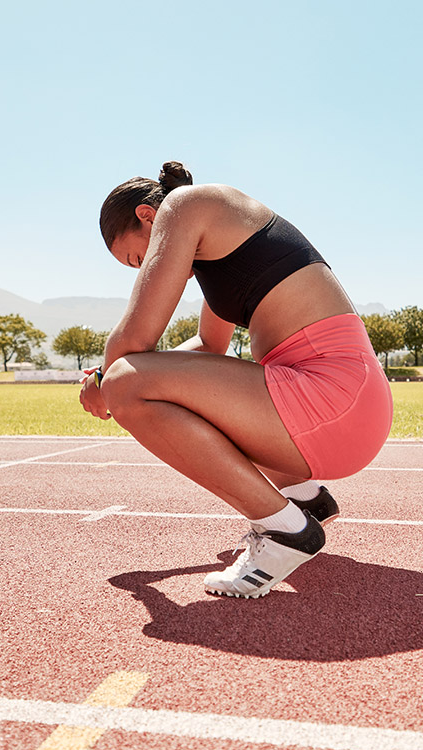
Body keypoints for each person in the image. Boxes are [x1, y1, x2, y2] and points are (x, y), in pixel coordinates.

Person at [79, 161, 393, 598]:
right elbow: (210, 346)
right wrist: (122, 376)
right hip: (342, 408)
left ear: (148, 217)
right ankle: (302, 499)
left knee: (124, 384)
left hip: (332, 399)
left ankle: (286, 531)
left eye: (139, 258)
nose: (143, 269)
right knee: (135, 381)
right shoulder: (216, 247)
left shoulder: (189, 205)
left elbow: (135, 338)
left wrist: (102, 379)